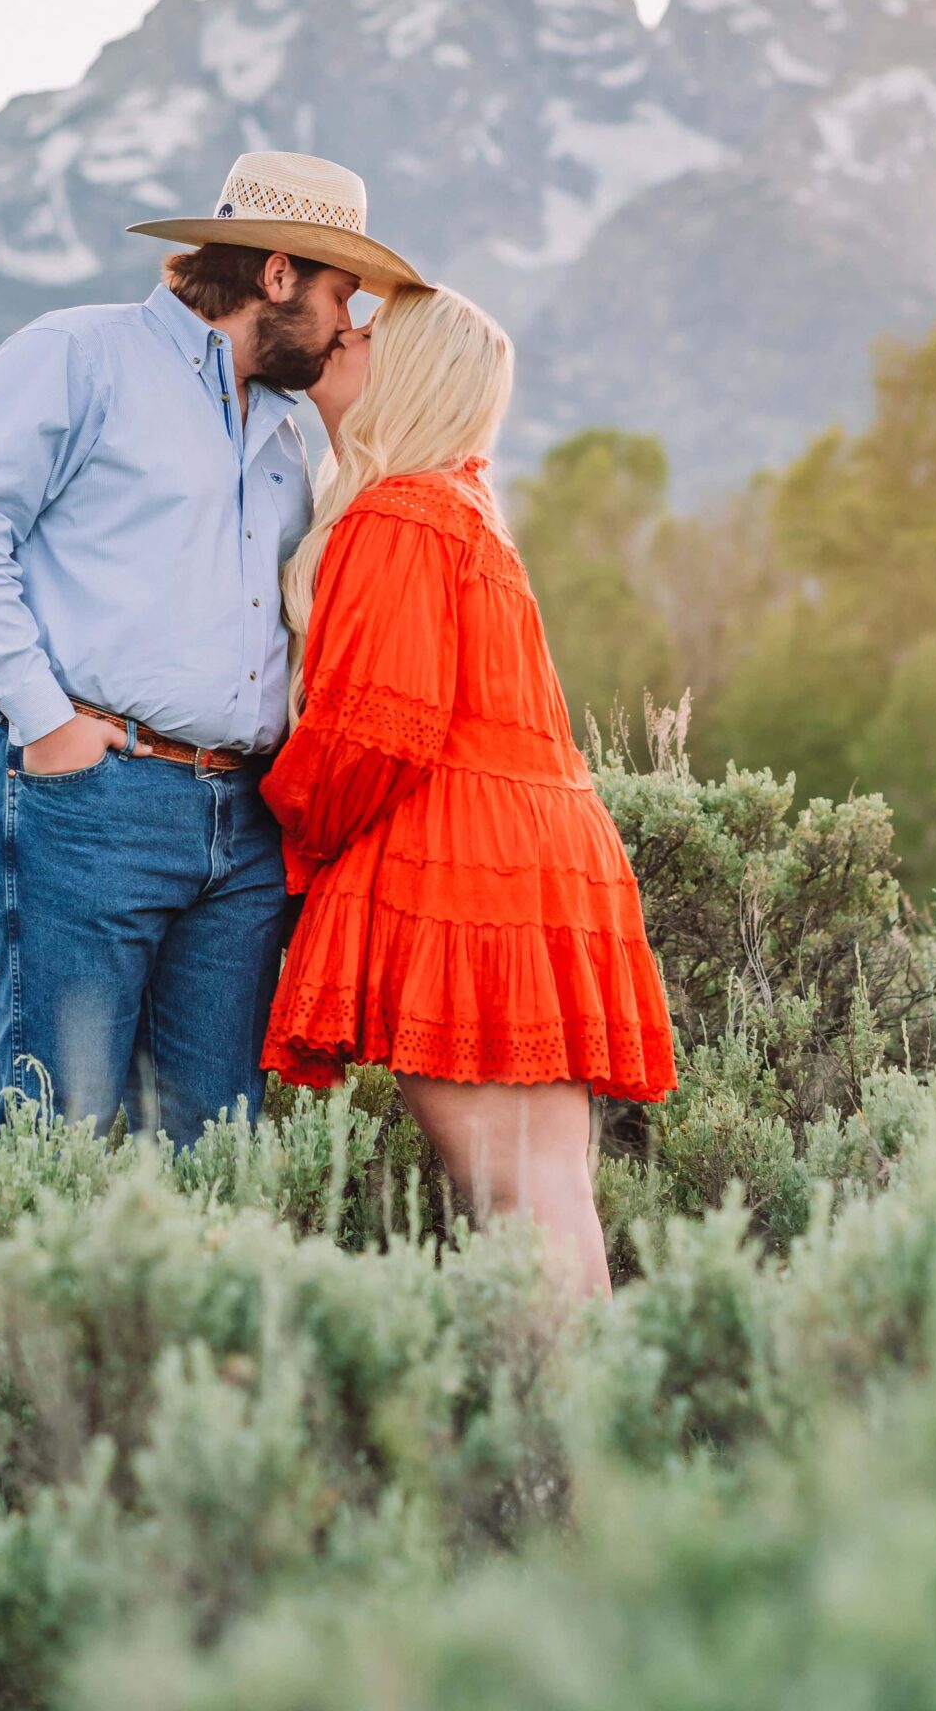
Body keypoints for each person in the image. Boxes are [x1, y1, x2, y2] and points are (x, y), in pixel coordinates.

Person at [0, 150, 425, 1146]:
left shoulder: (286, 424)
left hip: (241, 826)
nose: (344, 327)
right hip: (92, 803)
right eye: (337, 294)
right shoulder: (76, 355)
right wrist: (47, 724)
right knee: (63, 1136)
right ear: (276, 274)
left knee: (208, 1150)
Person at [260, 284, 678, 1297]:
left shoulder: (398, 513)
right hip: (538, 864)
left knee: (515, 1200)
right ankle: (584, 1442)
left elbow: (375, 726)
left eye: (359, 339)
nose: (336, 344)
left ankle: (553, 1447)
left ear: (402, 377)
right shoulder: (463, 512)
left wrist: (273, 819)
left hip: (464, 878)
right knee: (545, 1190)